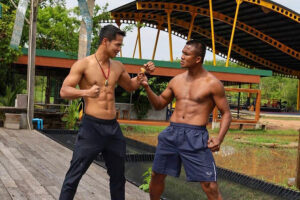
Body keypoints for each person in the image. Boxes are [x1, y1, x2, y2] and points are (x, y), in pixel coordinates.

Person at [59, 24, 155, 200]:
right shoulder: (83, 65)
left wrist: (141, 76)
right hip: (91, 128)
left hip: (113, 129)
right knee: (75, 174)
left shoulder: (118, 66)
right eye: (117, 45)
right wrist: (86, 92)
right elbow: (64, 91)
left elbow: (131, 86)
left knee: (118, 177)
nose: (119, 49)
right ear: (105, 41)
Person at [140, 40, 231, 200]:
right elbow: (159, 104)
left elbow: (226, 113)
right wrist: (147, 87)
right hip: (172, 133)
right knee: (156, 175)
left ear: (197, 59)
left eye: (186, 54)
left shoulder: (213, 84)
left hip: (196, 137)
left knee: (209, 185)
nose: (181, 57)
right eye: (182, 52)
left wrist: (219, 138)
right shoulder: (176, 80)